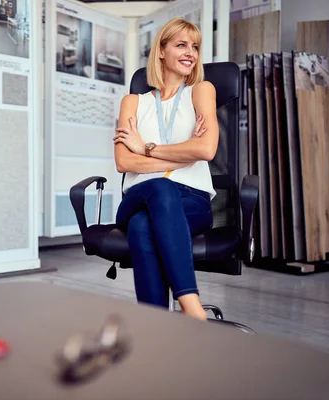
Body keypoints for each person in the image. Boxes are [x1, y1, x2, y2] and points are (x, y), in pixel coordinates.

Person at [112, 18, 218, 321]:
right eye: (181, 45)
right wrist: (184, 156)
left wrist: (145, 147)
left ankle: (155, 326)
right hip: (140, 195)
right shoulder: (133, 102)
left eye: (195, 47)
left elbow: (206, 150)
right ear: (161, 50)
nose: (191, 53)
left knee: (141, 227)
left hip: (193, 201)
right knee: (160, 187)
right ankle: (192, 307)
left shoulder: (200, 91)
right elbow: (124, 162)